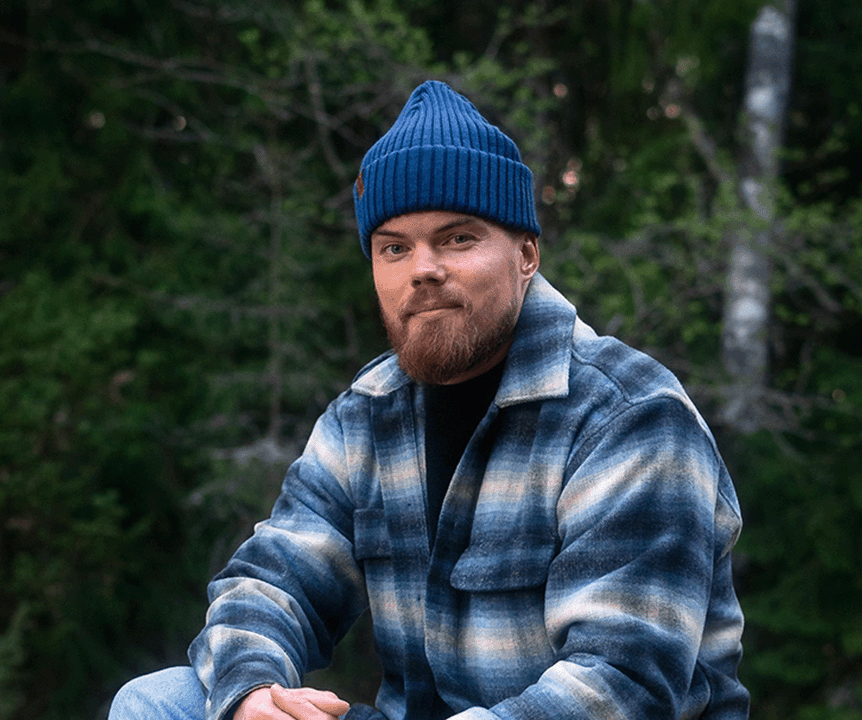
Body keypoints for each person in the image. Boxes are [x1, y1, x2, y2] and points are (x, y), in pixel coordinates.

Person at [108, 80, 748, 720]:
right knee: (157, 703)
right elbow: (270, 582)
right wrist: (252, 695)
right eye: (394, 247)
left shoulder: (629, 416)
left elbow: (622, 685)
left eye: (457, 238)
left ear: (526, 254)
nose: (422, 268)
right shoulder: (366, 415)